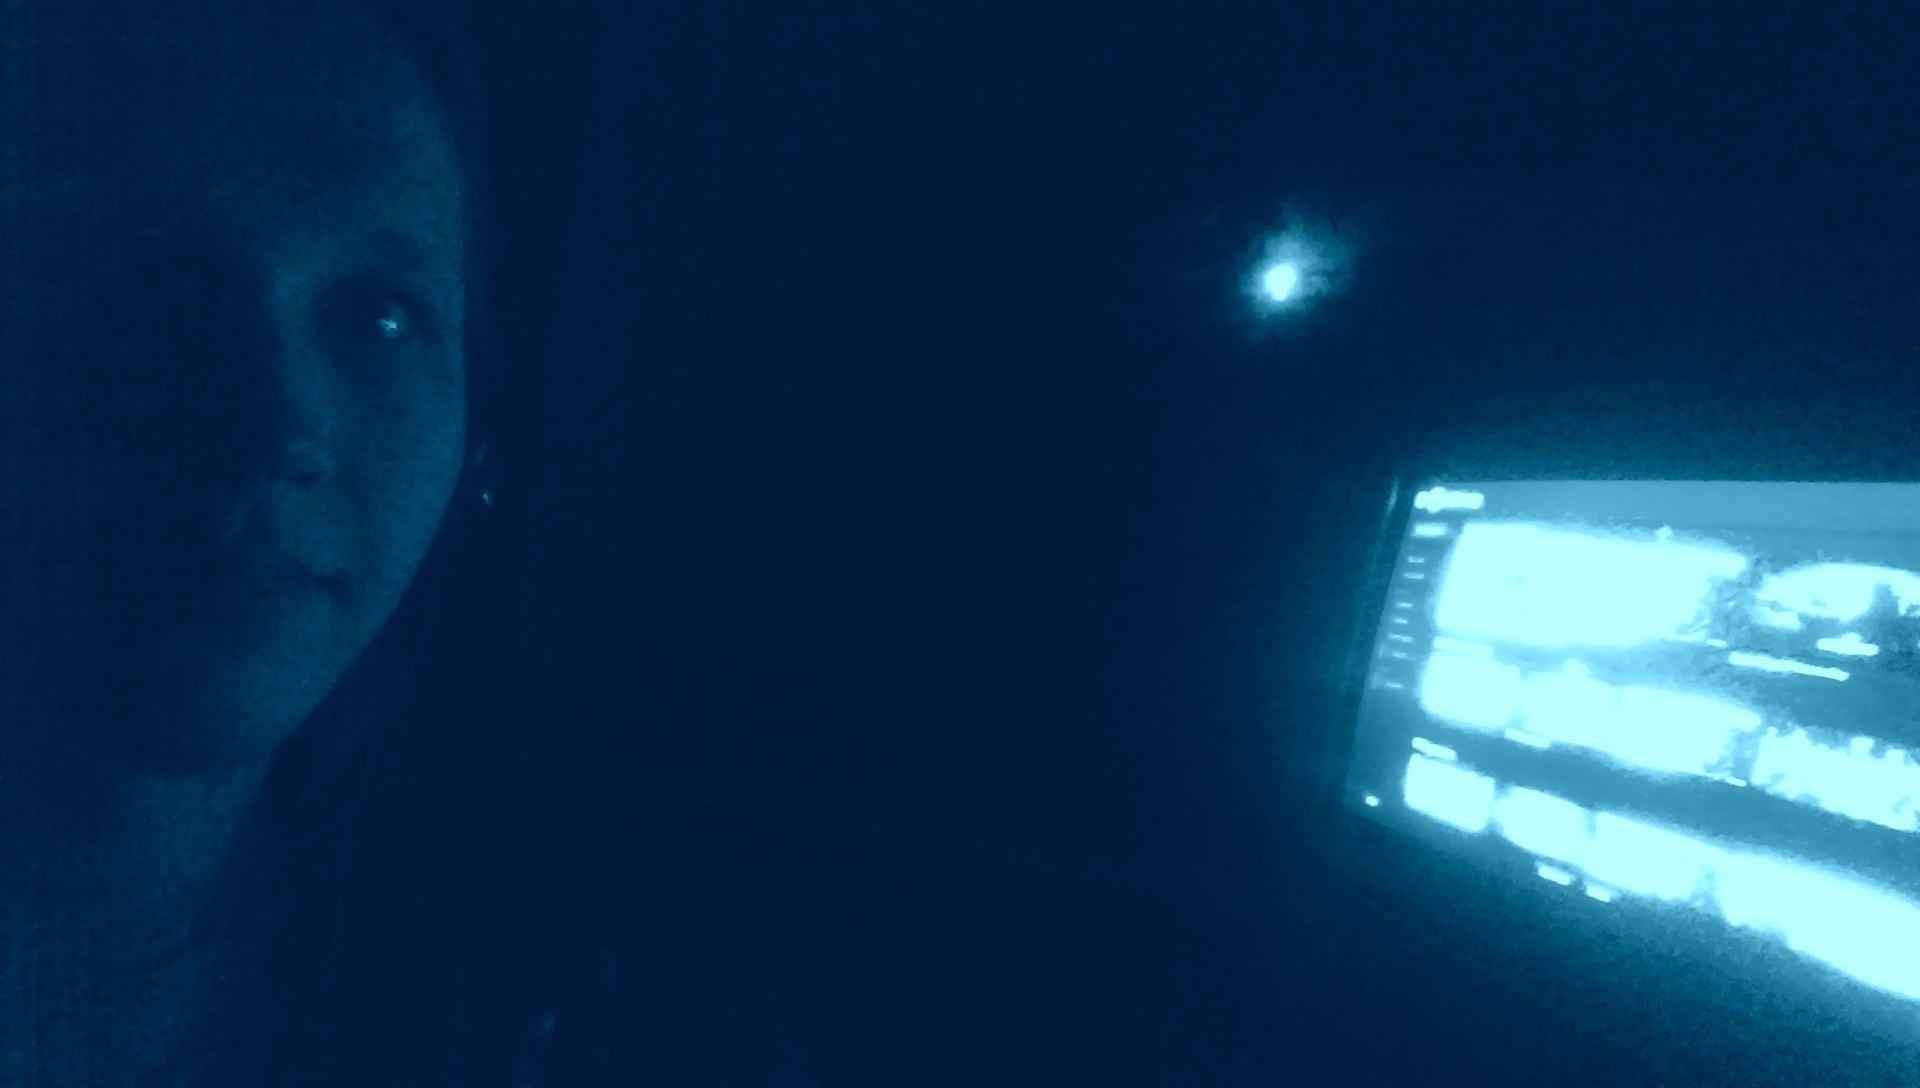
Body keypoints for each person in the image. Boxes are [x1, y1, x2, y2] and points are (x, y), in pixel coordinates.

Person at [1, 1, 812, 1083]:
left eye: (376, 314)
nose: (276, 423)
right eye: (128, 283)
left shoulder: (594, 957)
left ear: (478, 436)